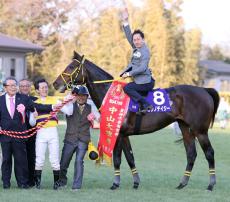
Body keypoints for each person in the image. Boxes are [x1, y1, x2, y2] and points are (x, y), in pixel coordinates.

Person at [32, 78, 72, 190]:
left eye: (46, 87)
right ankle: (37, 184)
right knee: (39, 159)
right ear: (37, 90)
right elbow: (31, 122)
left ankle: (56, 184)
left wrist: (70, 100)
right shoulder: (35, 103)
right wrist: (33, 116)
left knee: (54, 159)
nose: (45, 89)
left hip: (52, 131)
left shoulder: (55, 100)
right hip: (40, 132)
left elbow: (69, 112)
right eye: (42, 88)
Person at [58, 86, 98, 191]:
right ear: (76, 96)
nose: (81, 98)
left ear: (87, 97)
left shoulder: (91, 108)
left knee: (79, 161)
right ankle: (62, 182)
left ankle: (76, 186)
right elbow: (62, 103)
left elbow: (99, 122)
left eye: (83, 96)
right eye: (79, 95)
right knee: (63, 163)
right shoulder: (69, 106)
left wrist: (94, 118)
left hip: (83, 140)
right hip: (70, 139)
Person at [0, 77, 36, 189]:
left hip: (19, 135)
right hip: (5, 135)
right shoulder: (0, 100)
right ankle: (6, 183)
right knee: (6, 160)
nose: (13, 87)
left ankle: (22, 183)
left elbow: (34, 107)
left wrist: (53, 107)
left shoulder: (24, 98)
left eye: (14, 85)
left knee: (21, 160)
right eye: (10, 85)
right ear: (5, 87)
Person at [19, 78, 53, 187]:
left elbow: (45, 109)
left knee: (32, 157)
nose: (25, 88)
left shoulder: (36, 100)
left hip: (33, 133)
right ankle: (22, 181)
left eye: (27, 86)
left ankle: (32, 181)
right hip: (19, 133)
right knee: (20, 159)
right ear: (19, 87)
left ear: (30, 88)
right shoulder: (16, 99)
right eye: (22, 86)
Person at [120, 8, 155, 114]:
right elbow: (128, 35)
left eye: (138, 39)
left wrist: (129, 73)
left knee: (127, 88)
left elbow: (142, 68)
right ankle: (139, 106)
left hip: (146, 82)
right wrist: (125, 21)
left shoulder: (145, 51)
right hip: (139, 80)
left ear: (143, 40)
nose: (136, 41)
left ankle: (145, 104)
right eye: (134, 40)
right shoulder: (136, 47)